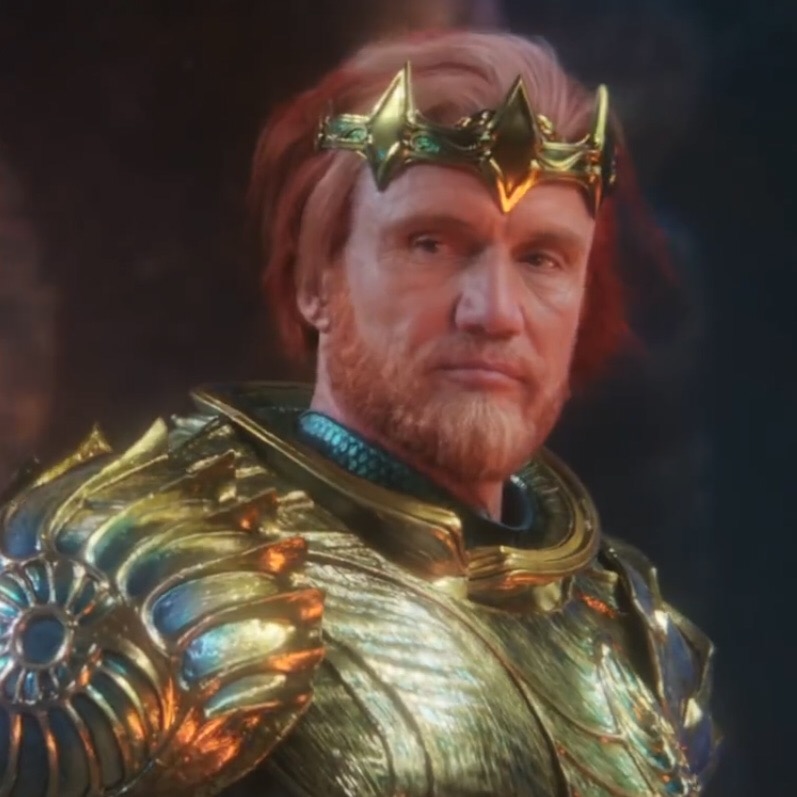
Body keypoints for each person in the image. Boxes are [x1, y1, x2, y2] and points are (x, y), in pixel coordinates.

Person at [0, 29, 719, 797]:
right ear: (317, 280)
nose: (494, 311)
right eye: (431, 243)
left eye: (542, 258)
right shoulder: (126, 573)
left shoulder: (630, 630)